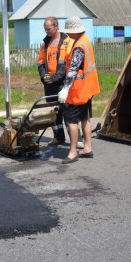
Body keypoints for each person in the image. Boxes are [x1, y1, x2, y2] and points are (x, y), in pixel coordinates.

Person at [58, 16, 100, 164]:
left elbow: (73, 71)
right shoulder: (85, 41)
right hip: (87, 88)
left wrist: (65, 89)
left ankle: (72, 152)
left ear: (75, 31)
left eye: (69, 31)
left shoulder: (78, 47)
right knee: (85, 117)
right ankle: (87, 148)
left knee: (71, 121)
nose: (68, 34)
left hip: (77, 90)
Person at [37, 16, 73, 146]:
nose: (46, 32)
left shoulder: (67, 42)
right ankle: (58, 137)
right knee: (53, 111)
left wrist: (55, 77)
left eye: (48, 29)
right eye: (45, 29)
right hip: (49, 84)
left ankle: (76, 141)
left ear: (56, 26)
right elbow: (40, 62)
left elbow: (66, 65)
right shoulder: (45, 44)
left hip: (63, 83)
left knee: (67, 111)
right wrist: (44, 77)